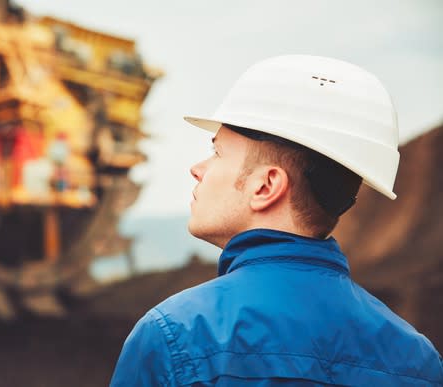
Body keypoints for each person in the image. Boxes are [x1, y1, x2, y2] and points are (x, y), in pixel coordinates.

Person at [109, 55, 443, 386]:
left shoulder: (175, 335)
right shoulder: (420, 360)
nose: (197, 169)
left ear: (267, 186)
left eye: (217, 152)